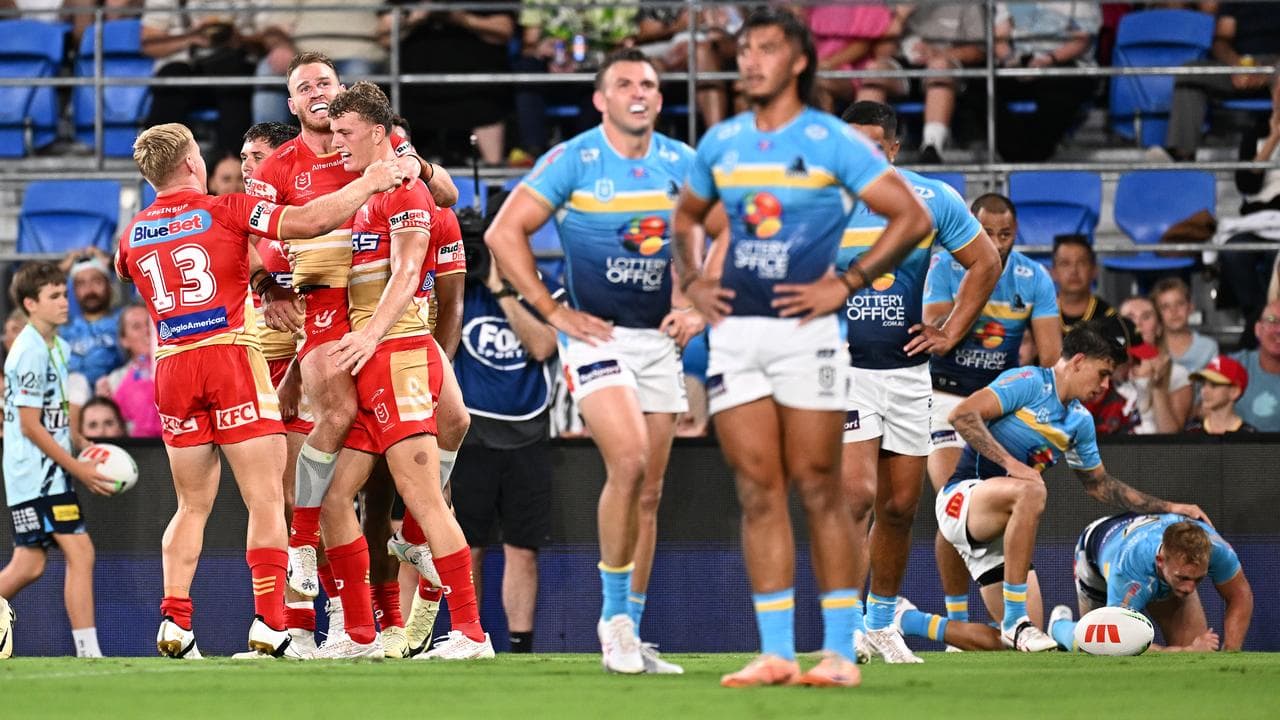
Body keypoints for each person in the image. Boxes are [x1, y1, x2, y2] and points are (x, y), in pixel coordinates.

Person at [672, 9, 933, 687]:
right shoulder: (723, 139)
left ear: (798, 62)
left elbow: (910, 217)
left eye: (767, 49)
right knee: (758, 491)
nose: (750, 60)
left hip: (808, 336)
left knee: (821, 488)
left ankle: (841, 652)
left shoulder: (833, 140)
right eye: (745, 49)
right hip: (738, 336)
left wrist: (847, 282)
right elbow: (686, 216)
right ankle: (777, 653)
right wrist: (694, 282)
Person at [118, 122, 405, 659]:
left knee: (190, 505)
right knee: (267, 496)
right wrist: (370, 181)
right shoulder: (227, 208)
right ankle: (271, 622)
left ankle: (175, 620)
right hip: (228, 356)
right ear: (191, 163)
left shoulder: (132, 233)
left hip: (171, 364)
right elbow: (308, 221)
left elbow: (136, 272)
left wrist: (258, 280)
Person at [486, 48, 706, 675]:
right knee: (629, 460)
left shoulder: (683, 163)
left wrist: (694, 303)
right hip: (596, 336)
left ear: (659, 98)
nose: (639, 92)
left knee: (650, 492)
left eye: (649, 84)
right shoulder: (574, 158)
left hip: (658, 340)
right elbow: (503, 232)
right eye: (625, 83)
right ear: (600, 99)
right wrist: (551, 312)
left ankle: (630, 631)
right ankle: (612, 621)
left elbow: (722, 235)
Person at [248, 52, 456, 613]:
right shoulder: (279, 168)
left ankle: (409, 564)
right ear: (292, 105)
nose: (316, 92)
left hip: (388, 315)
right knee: (333, 443)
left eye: (324, 82)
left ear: (341, 91)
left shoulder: (378, 145)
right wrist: (268, 286)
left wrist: (420, 168)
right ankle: (327, 612)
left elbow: (448, 196)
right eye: (304, 87)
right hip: (322, 316)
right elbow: (248, 239)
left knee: (450, 424)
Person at [311, 82, 492, 661]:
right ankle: (360, 634)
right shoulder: (362, 191)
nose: (335, 144)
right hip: (372, 363)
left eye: (344, 133)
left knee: (425, 499)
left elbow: (410, 271)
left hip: (398, 355)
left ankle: (471, 634)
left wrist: (369, 335)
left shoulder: (407, 189)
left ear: (377, 133)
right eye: (332, 133)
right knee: (335, 499)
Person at [835, 101, 1001, 664]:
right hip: (843, 370)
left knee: (901, 506)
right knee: (856, 496)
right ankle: (844, 626)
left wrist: (950, 331)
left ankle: (882, 623)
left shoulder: (931, 198)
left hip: (907, 373)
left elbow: (985, 262)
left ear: (894, 148)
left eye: (872, 145)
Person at [935, 322, 1210, 651]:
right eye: (1102, 374)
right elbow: (962, 414)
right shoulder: (1029, 381)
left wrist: (1170, 507)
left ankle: (910, 619)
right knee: (1032, 491)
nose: (1105, 385)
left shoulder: (1080, 421)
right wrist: (1012, 464)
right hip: (963, 501)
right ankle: (1015, 619)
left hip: (999, 531)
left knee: (1020, 648)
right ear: (1078, 361)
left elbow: (1100, 485)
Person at [923, 193, 1062, 632]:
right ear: (972, 228)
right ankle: (958, 623)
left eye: (1005, 235)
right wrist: (980, 284)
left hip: (996, 405)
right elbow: (934, 328)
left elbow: (1051, 356)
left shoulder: (1033, 277)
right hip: (944, 396)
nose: (998, 243)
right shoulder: (943, 267)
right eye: (987, 234)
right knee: (953, 500)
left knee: (994, 506)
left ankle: (1006, 612)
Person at [451, 238, 560, 655]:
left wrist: (502, 289)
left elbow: (543, 346)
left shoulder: (547, 290)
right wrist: (468, 281)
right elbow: (443, 341)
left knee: (523, 549)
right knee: (468, 549)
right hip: (471, 434)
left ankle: (520, 647)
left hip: (528, 434)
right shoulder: (460, 288)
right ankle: (469, 638)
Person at [0, 262, 114, 660]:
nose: (65, 302)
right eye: (54, 296)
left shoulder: (59, 347)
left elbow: (54, 413)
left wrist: (78, 440)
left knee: (29, 565)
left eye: (64, 294)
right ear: (30, 304)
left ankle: (87, 650)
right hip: (37, 475)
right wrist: (76, 467)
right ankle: (89, 652)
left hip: (41, 473)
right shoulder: (28, 351)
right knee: (81, 552)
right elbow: (30, 425)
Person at [1050, 513, 1252, 652]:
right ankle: (1058, 626)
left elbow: (1240, 595)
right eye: (1183, 578)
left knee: (1195, 659)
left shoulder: (1217, 550)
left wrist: (1231, 650)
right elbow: (1118, 642)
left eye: (1198, 579)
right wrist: (1186, 651)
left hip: (1150, 538)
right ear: (1160, 560)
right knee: (1096, 645)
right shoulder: (1128, 570)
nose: (1190, 588)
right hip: (1095, 551)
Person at [861, 3, 989, 162]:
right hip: (901, 66)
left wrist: (937, 53)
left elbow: (978, 51)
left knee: (939, 67)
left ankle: (932, 147)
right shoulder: (891, 5)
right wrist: (900, 18)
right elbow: (881, 53)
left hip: (948, 64)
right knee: (874, 70)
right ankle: (862, 149)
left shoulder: (968, 5)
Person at [1161, 2, 1280, 161]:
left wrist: (1268, 70)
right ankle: (1182, 155)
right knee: (1189, 73)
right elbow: (1221, 41)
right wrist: (1236, 65)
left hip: (1276, 67)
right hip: (1240, 65)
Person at [992, 2, 1101, 162]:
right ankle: (1014, 152)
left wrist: (1047, 60)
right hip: (1019, 59)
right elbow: (1000, 37)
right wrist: (1011, 61)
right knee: (979, 84)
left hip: (1065, 61)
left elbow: (1082, 40)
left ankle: (1032, 156)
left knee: (1062, 87)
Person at [1117, 295, 1194, 434]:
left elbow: (1170, 434)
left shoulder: (1178, 374)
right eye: (1130, 318)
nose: (1137, 324)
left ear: (1158, 328)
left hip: (1156, 447)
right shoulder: (1105, 372)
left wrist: (1158, 387)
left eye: (1146, 317)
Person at [94, 304, 160, 438]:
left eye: (150, 324)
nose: (147, 331)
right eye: (136, 326)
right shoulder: (113, 381)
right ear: (124, 340)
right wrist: (104, 404)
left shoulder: (179, 369)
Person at [59, 253, 123, 389]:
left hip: (117, 393)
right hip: (73, 396)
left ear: (109, 285)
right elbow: (30, 306)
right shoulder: (63, 329)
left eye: (96, 281)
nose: (89, 289)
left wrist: (112, 263)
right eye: (81, 284)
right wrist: (58, 272)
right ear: (73, 290)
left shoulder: (124, 321)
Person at [1230, 299, 1280, 431]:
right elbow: (1203, 409)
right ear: (1258, 329)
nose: (1279, 329)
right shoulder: (1232, 366)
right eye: (1272, 321)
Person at [1152, 277, 1219, 373]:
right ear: (1157, 313)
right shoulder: (1151, 346)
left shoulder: (1209, 347)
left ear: (1190, 307)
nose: (1174, 311)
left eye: (1180, 304)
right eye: (1165, 307)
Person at [1051, 235, 1115, 333]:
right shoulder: (1038, 315)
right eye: (1065, 263)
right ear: (1053, 272)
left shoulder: (1109, 317)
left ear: (1094, 270)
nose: (1073, 271)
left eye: (1081, 263)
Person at [1186, 355, 1256, 433]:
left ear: (1234, 392)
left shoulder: (1250, 435)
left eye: (1214, 385)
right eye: (1203, 384)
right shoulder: (1191, 431)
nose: (1204, 391)